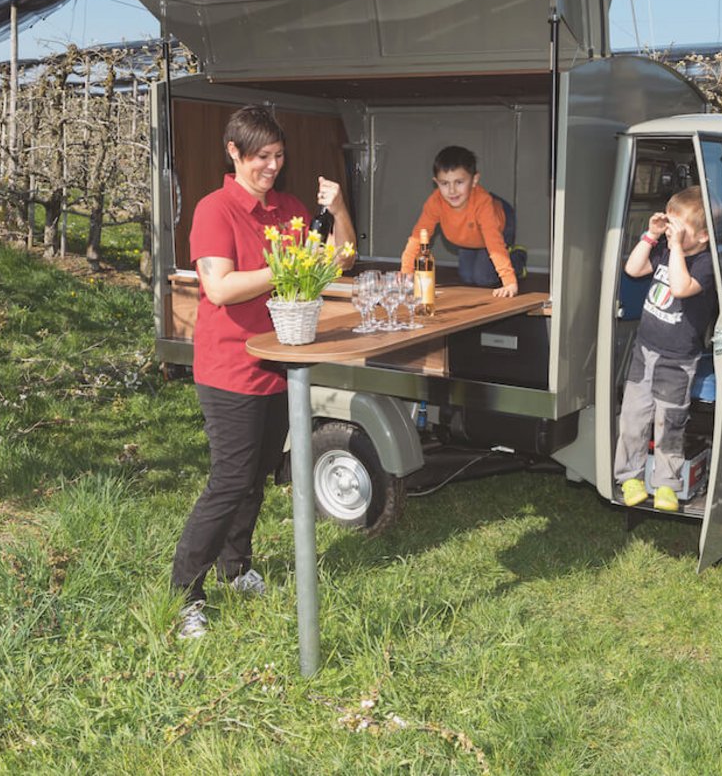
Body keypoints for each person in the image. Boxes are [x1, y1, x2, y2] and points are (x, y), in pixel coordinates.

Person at [172, 104, 356, 639]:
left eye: (278, 157)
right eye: (261, 158)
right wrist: (284, 265)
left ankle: (235, 566)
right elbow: (220, 288)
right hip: (229, 367)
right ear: (233, 153)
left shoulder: (287, 209)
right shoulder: (215, 210)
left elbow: (342, 256)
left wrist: (339, 207)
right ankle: (184, 593)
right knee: (229, 482)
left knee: (256, 478)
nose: (271, 167)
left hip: (279, 364)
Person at [613, 186, 716, 513]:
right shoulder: (664, 251)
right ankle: (629, 475)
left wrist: (673, 248)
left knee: (669, 423)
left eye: (678, 227)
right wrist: (651, 236)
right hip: (646, 352)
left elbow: (680, 287)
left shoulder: (705, 264)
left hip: (678, 361)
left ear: (702, 237)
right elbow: (633, 269)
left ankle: (667, 483)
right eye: (669, 222)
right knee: (633, 417)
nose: (671, 231)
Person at [400, 145, 526, 298]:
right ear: (436, 182)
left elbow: (494, 243)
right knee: (467, 276)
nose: (452, 190)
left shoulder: (483, 203)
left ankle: (517, 257)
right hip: (470, 236)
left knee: (483, 278)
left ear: (474, 180)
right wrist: (406, 272)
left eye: (459, 182)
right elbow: (418, 236)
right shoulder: (435, 202)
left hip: (500, 223)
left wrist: (509, 282)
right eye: (445, 183)